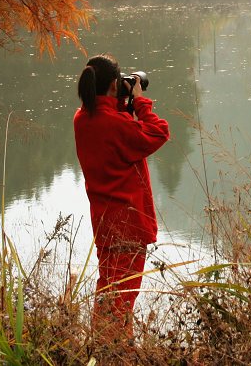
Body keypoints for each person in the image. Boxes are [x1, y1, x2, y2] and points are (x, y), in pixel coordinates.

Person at [73, 54, 169, 339]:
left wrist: (122, 106)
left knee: (108, 290)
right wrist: (139, 100)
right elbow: (158, 132)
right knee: (122, 297)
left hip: (103, 223)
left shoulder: (82, 119)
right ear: (115, 87)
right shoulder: (116, 124)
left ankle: (103, 348)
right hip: (127, 224)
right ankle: (116, 351)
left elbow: (115, 131)